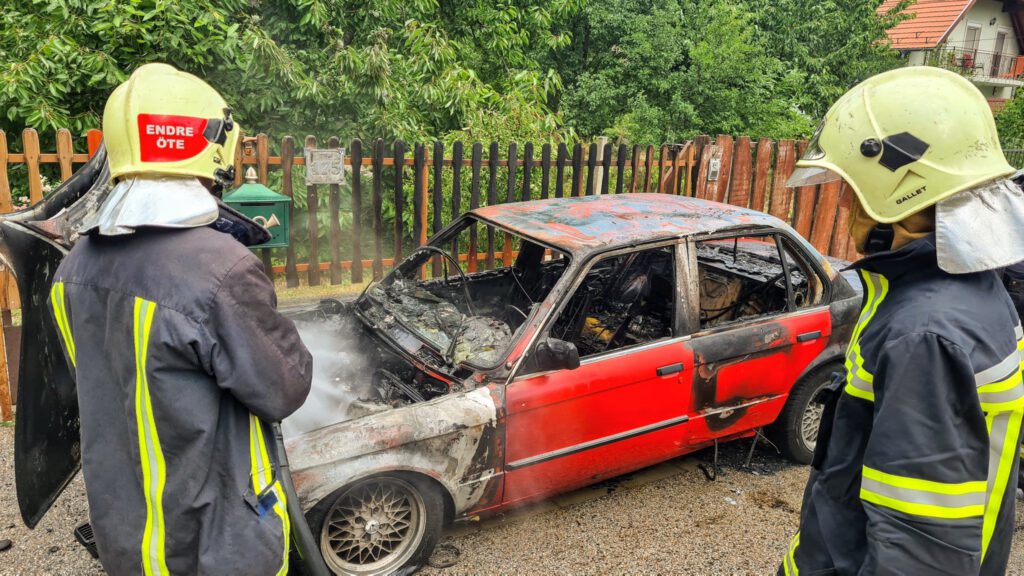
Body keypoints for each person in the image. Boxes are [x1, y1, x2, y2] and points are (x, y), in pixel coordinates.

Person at [48, 63, 313, 575]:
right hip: (212, 542)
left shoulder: (72, 266)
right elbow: (285, 389)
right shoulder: (220, 267)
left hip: (127, 529)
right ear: (211, 144)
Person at [780, 66, 1024, 575]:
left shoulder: (926, 335)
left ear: (903, 206)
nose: (846, 208)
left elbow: (919, 550)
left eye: (853, 193)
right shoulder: (963, 291)